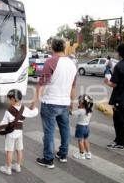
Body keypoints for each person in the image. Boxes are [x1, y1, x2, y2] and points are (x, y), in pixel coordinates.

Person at [30, 37, 77, 169]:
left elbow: (42, 83)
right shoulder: (72, 63)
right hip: (65, 102)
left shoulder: (51, 61)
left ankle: (48, 159)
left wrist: (34, 101)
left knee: (49, 131)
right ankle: (63, 155)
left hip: (50, 102)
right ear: (64, 48)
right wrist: (72, 103)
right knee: (65, 129)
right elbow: (73, 86)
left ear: (52, 48)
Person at [0, 89, 38, 175]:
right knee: (19, 149)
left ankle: (8, 168)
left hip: (11, 134)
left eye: (9, 99)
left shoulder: (8, 110)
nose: (9, 101)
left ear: (13, 99)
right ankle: (18, 166)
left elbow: (3, 124)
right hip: (19, 133)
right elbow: (34, 112)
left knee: (10, 151)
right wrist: (33, 105)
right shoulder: (24, 109)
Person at [71, 94, 93, 159]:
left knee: (80, 141)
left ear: (83, 104)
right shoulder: (89, 111)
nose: (78, 103)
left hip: (80, 128)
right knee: (86, 140)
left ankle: (81, 154)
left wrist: (68, 109)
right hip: (87, 127)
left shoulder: (81, 111)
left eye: (79, 102)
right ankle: (88, 153)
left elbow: (71, 113)